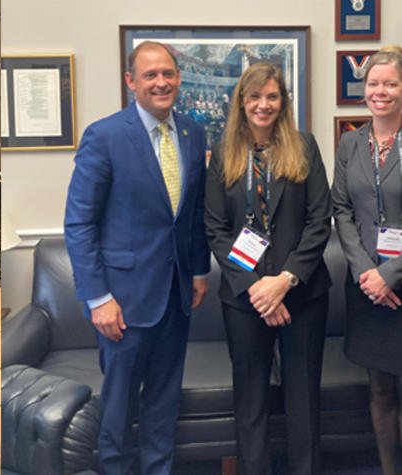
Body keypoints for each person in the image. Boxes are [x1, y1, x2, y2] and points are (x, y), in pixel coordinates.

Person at [64, 41, 210, 475]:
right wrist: (97, 298)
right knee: (119, 404)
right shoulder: (105, 135)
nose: (161, 82)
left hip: (176, 295)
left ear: (179, 77)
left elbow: (193, 212)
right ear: (131, 81)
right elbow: (79, 224)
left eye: (168, 73)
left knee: (164, 401)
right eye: (150, 75)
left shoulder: (193, 132)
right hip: (122, 302)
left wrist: (199, 269)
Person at [205, 62, 331, 475]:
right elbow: (216, 227)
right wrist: (258, 289)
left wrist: (284, 280)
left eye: (272, 96)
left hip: (303, 295)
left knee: (303, 400)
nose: (264, 105)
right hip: (245, 299)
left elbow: (319, 220)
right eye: (255, 96)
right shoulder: (223, 154)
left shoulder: (305, 146)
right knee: (251, 400)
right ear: (241, 102)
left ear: (283, 102)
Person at [332, 50, 402, 475]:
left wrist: (390, 274)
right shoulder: (350, 143)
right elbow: (341, 210)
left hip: (398, 279)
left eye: (391, 84)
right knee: (379, 387)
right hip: (366, 286)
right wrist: (367, 273)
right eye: (373, 84)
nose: (381, 92)